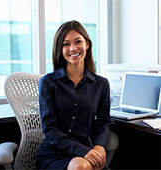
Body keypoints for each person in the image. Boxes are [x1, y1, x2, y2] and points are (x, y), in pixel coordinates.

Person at [36, 20, 111, 170]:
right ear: (59, 48)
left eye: (78, 42)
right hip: (54, 153)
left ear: (87, 44)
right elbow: (50, 128)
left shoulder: (101, 84)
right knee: (81, 166)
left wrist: (99, 147)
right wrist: (85, 152)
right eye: (66, 44)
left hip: (87, 151)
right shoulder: (48, 82)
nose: (73, 48)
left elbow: (103, 122)